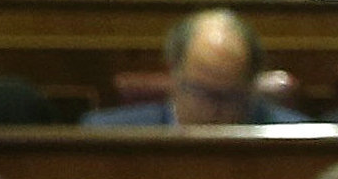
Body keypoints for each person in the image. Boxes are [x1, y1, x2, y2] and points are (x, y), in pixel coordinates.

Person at [85, 10, 311, 128]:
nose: (214, 112)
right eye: (201, 93)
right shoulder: (109, 136)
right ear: (172, 72)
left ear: (251, 85)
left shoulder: (295, 141)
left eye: (230, 97)